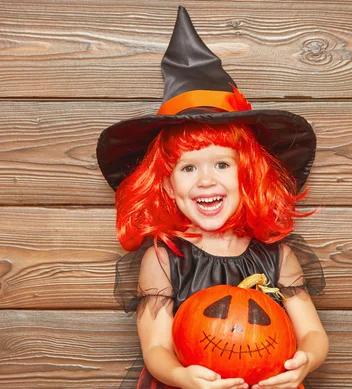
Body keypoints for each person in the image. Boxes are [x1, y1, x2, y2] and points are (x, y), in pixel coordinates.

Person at [96, 7, 328, 389]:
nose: (206, 181)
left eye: (221, 165)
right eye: (188, 169)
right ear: (167, 185)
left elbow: (313, 334)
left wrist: (305, 362)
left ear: (248, 176)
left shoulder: (277, 256)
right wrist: (181, 377)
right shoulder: (163, 258)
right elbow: (155, 347)